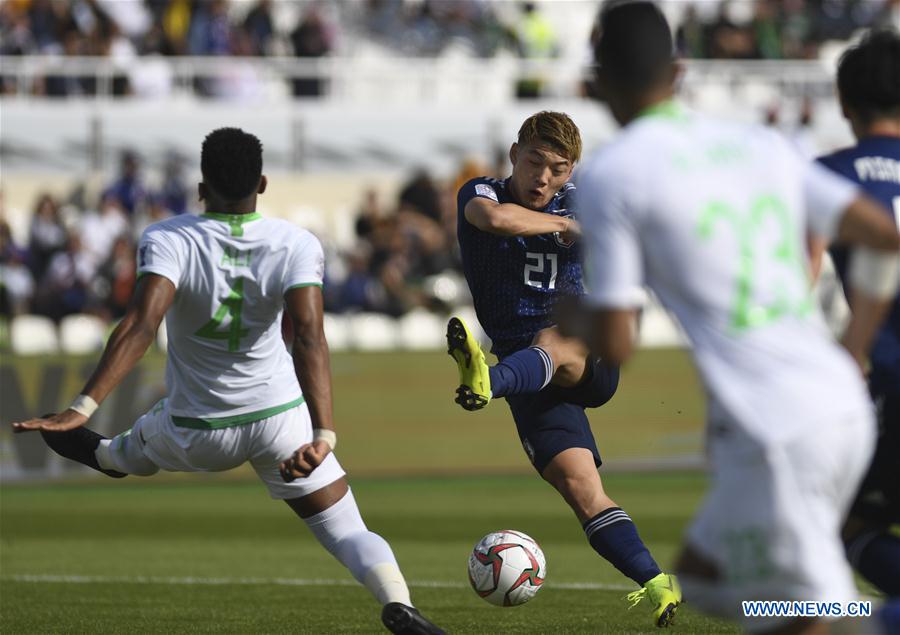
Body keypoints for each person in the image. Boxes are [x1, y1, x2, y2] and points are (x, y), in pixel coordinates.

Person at [11, 128, 443, 635]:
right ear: (261, 182)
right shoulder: (295, 242)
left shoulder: (168, 237)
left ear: (201, 186)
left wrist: (81, 406)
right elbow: (309, 337)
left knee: (118, 457)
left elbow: (141, 325)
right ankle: (399, 604)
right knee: (347, 528)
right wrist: (323, 434)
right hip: (282, 422)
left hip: (196, 427)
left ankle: (85, 442)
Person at [567, 2, 900, 633]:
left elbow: (617, 339)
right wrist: (851, 348)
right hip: (831, 404)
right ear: (679, 71)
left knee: (821, 617)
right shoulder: (760, 144)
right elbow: (884, 235)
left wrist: (569, 316)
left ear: (597, 81)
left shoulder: (613, 174)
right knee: (704, 582)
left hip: (777, 427)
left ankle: (883, 621)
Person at [449, 110, 681, 628]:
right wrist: (565, 225)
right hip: (527, 367)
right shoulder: (480, 191)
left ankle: (488, 382)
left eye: (559, 168)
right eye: (536, 162)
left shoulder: (586, 199)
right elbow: (496, 222)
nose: (545, 178)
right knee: (582, 489)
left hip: (584, 352)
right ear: (514, 154)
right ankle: (656, 581)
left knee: (557, 335)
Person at [814, 28, 900, 599]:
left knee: (844, 523)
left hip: (891, 383)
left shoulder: (823, 176)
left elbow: (794, 291)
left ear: (844, 104)